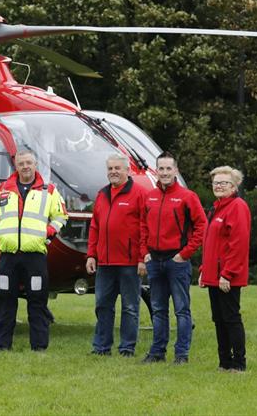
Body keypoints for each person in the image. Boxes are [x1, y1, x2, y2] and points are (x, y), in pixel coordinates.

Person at [0, 150, 68, 351]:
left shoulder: (48, 190)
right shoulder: (3, 189)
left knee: (37, 301)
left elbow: (61, 216)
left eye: (29, 163)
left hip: (35, 256)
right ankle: (2, 345)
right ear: (16, 166)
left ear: (35, 164)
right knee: (5, 300)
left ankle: (39, 346)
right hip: (8, 255)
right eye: (21, 163)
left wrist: (48, 233)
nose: (25, 167)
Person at [141, 151, 206, 364]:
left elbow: (201, 227)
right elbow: (142, 226)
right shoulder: (150, 196)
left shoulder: (188, 197)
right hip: (154, 261)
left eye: (169, 168)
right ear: (156, 170)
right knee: (158, 310)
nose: (165, 172)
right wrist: (145, 253)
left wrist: (184, 254)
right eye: (161, 168)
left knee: (181, 310)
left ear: (175, 170)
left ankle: (181, 354)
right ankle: (157, 352)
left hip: (176, 261)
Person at [86, 154, 148, 357]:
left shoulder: (139, 193)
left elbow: (144, 228)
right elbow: (95, 226)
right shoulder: (102, 194)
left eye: (117, 168)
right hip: (104, 262)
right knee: (102, 305)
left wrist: (142, 258)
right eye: (110, 168)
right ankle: (101, 347)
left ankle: (127, 348)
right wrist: (91, 255)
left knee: (130, 307)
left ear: (127, 170)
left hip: (130, 263)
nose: (113, 171)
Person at [199, 166, 250, 372]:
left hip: (227, 276)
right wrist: (204, 269)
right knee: (218, 319)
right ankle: (224, 362)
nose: (219, 186)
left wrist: (227, 274)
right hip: (214, 275)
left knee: (231, 318)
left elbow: (238, 244)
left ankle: (238, 364)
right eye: (216, 183)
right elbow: (211, 244)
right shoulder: (216, 207)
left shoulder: (237, 206)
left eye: (224, 183)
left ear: (234, 186)